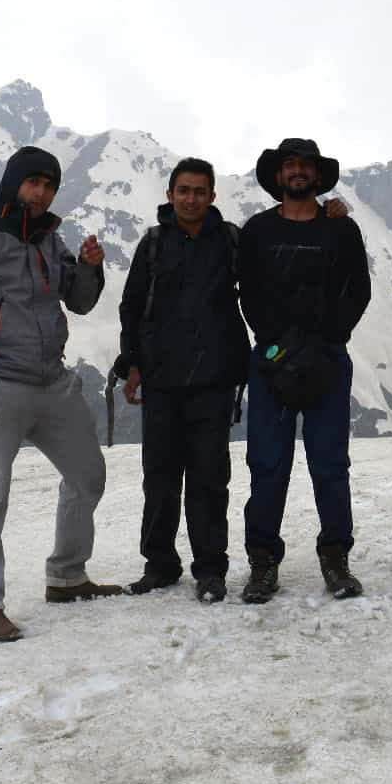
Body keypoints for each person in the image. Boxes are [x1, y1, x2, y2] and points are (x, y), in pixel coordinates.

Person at [0, 145, 121, 642]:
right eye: (33, 182)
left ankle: (66, 574)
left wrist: (90, 268)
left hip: (53, 383)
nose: (40, 193)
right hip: (2, 383)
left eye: (49, 185)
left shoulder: (49, 240)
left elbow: (79, 301)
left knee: (87, 475)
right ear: (14, 182)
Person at [236, 138, 372, 604]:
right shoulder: (256, 230)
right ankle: (263, 561)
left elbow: (359, 291)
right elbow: (247, 293)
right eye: (289, 165)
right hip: (271, 361)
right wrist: (277, 347)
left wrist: (327, 340)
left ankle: (335, 557)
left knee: (330, 465)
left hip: (329, 361)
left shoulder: (343, 230)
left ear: (318, 175)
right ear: (278, 176)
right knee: (267, 465)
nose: (297, 172)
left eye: (305, 166)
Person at [115, 157, 250, 605]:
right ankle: (160, 564)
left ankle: (210, 569)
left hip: (214, 379)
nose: (191, 199)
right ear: (170, 194)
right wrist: (132, 364)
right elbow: (132, 307)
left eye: (200, 191)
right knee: (160, 476)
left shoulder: (230, 242)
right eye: (183, 191)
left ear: (212, 196)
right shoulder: (154, 243)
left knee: (210, 478)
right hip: (161, 379)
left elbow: (266, 284)